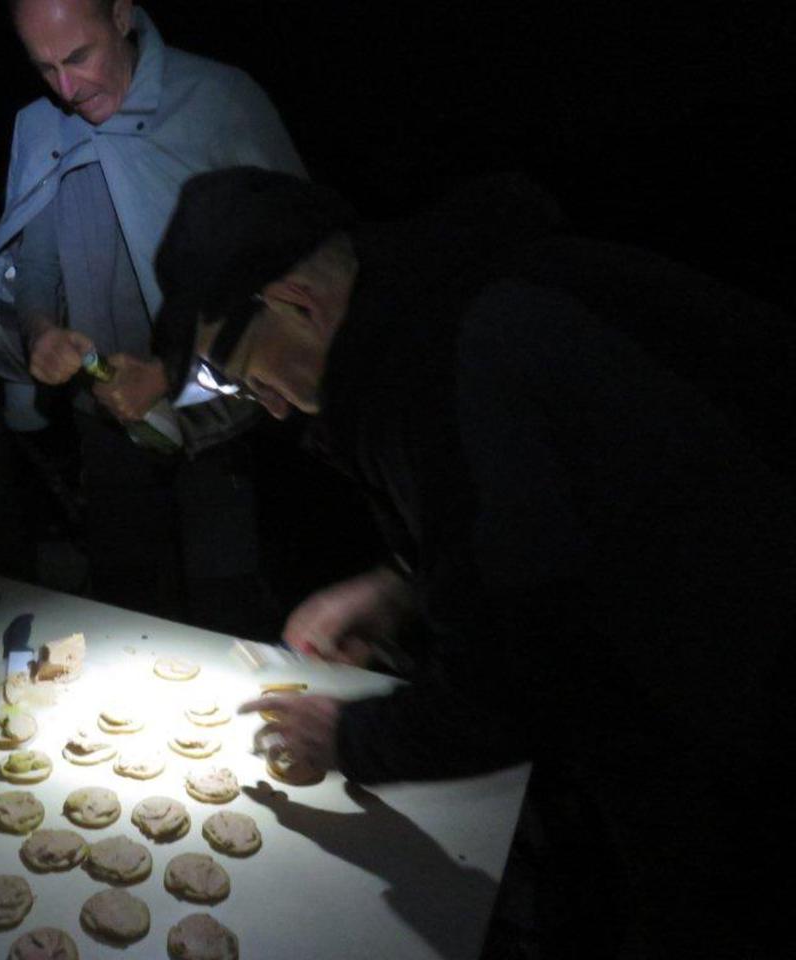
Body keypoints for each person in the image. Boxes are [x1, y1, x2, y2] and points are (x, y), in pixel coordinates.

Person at [151, 166, 794, 958]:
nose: (271, 406)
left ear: (295, 301)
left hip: (741, 679)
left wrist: (350, 738)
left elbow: (519, 676)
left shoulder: (446, 367)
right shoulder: (441, 297)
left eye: (244, 374)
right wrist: (400, 586)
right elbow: (542, 519)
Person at [0, 0, 304, 629]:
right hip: (103, 419)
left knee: (226, 610)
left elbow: (295, 278)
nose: (67, 89)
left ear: (121, 16)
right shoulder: (41, 127)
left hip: (214, 413)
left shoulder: (218, 101)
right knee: (123, 608)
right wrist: (41, 332)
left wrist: (166, 375)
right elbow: (35, 265)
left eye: (79, 57)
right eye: (45, 68)